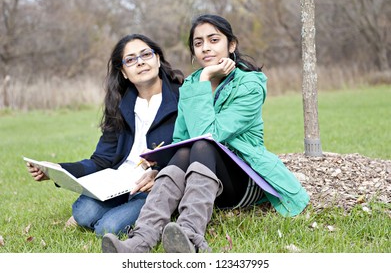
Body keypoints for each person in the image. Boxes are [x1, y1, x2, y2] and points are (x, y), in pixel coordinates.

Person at [101, 14, 310, 253]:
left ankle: (190, 237)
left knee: (202, 146)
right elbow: (181, 139)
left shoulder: (250, 85)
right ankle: (140, 241)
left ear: (231, 45)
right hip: (204, 185)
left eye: (213, 40)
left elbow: (208, 135)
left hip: (245, 179)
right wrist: (159, 164)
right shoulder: (191, 84)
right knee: (184, 150)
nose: (205, 48)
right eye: (198, 43)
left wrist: (204, 77)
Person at [26, 34, 184, 237]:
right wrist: (59, 169)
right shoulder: (120, 105)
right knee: (83, 212)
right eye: (131, 59)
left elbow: (188, 150)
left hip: (154, 184)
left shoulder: (182, 97)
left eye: (146, 54)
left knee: (107, 228)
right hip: (117, 183)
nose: (140, 62)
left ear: (158, 59)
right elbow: (101, 159)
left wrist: (160, 173)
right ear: (124, 72)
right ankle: (111, 212)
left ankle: (151, 214)